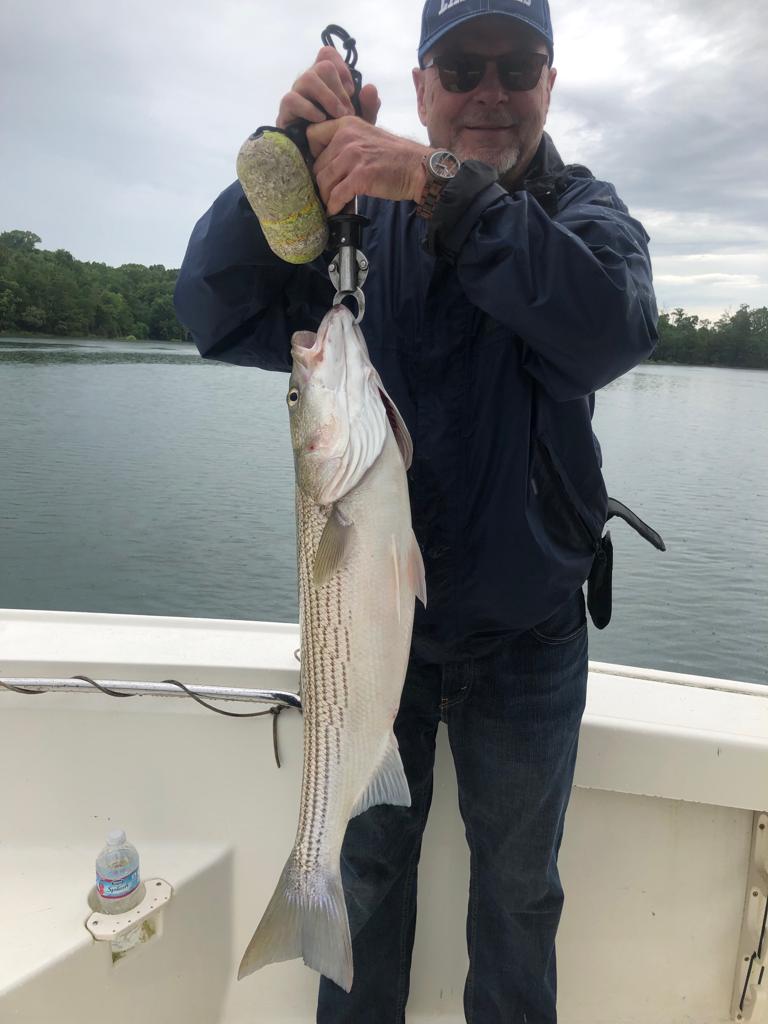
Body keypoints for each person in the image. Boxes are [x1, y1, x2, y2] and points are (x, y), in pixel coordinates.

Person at [174, 1, 658, 1020]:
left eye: (517, 67)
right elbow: (215, 311)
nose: (491, 92)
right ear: (422, 84)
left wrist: (442, 188)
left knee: (519, 898)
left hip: (528, 638)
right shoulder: (358, 226)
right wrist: (281, 163)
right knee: (365, 882)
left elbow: (611, 330)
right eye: (464, 66)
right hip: (374, 645)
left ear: (550, 84)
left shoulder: (582, 216)